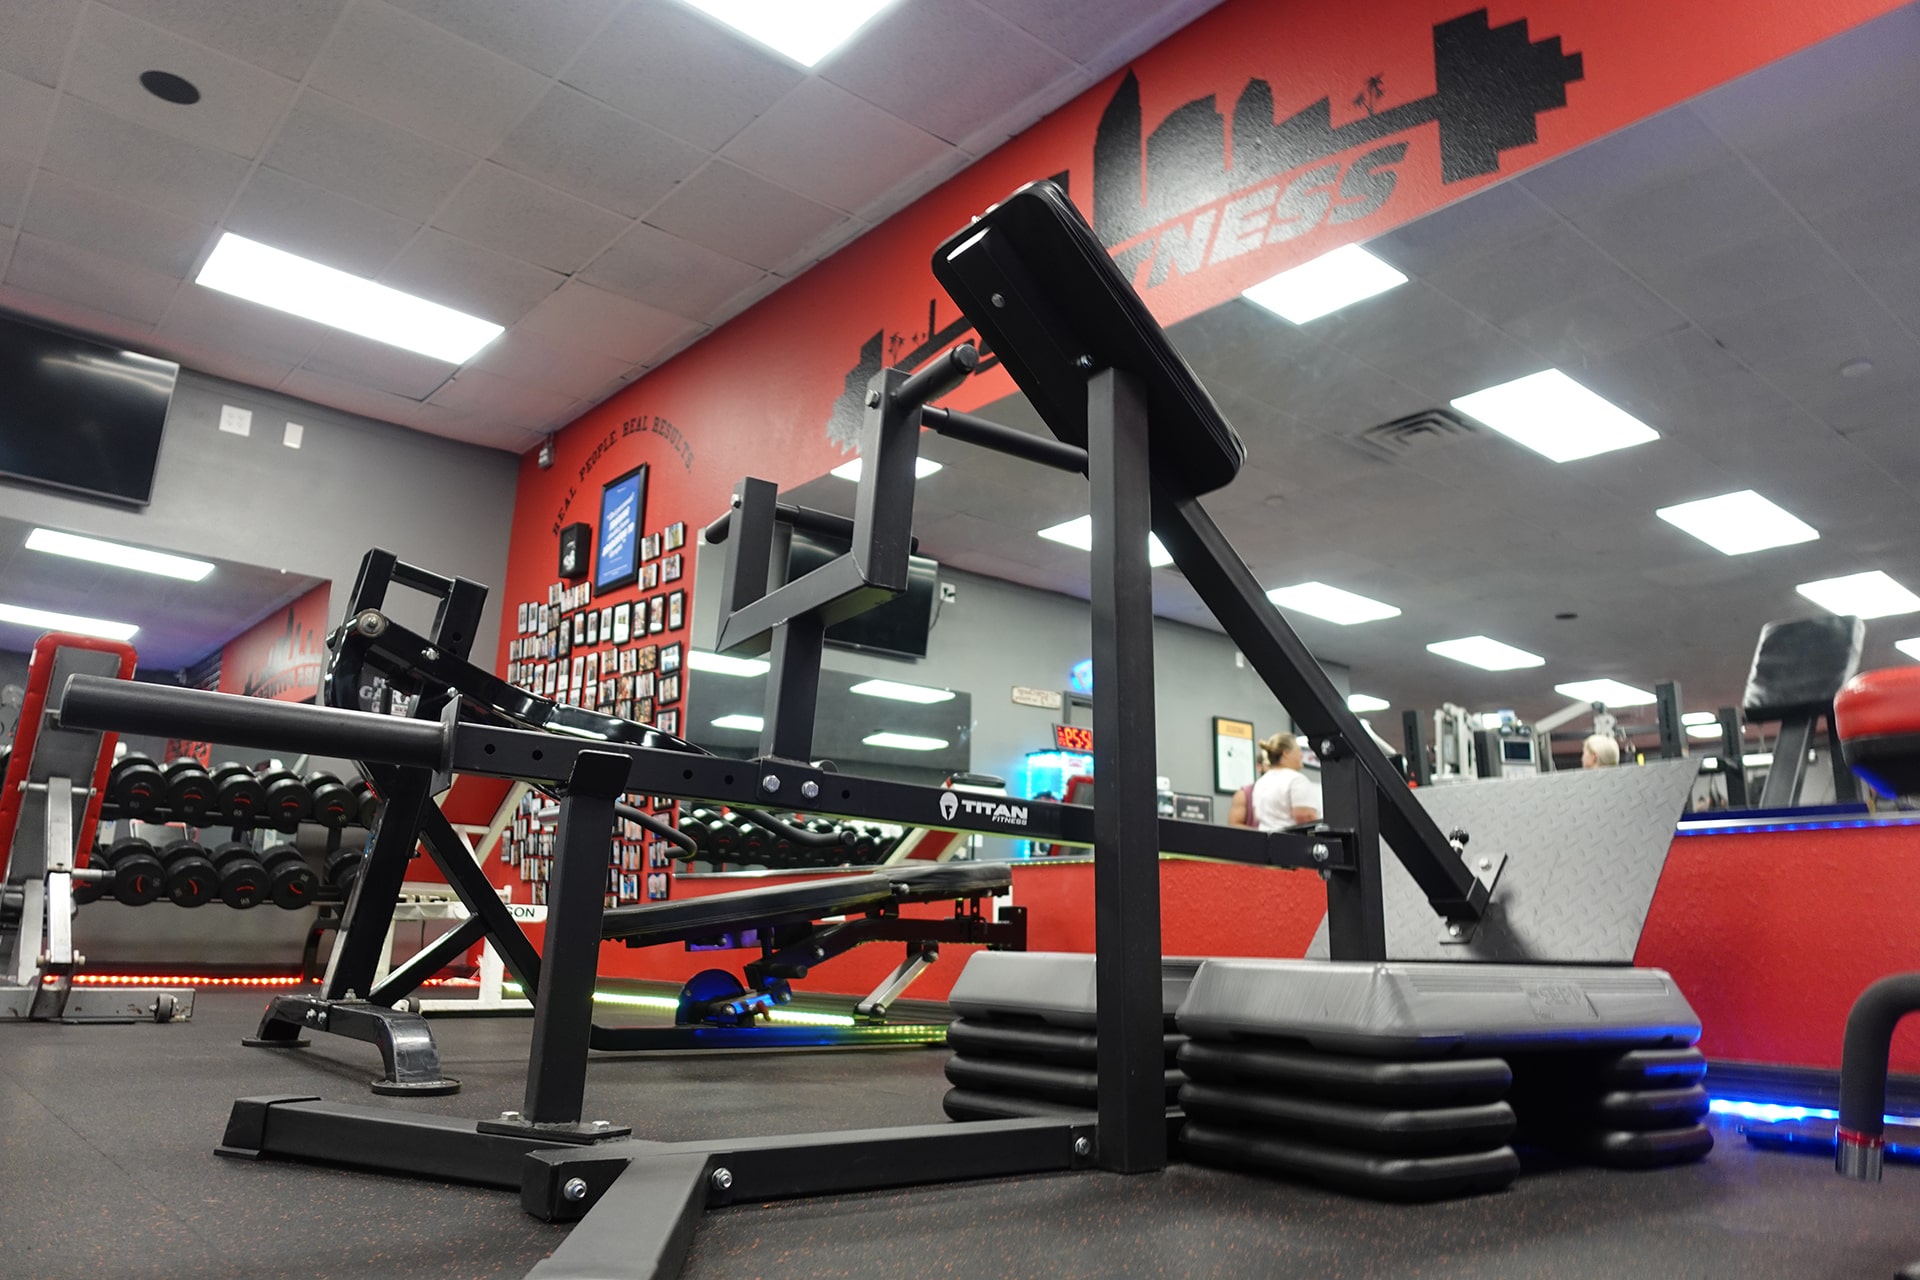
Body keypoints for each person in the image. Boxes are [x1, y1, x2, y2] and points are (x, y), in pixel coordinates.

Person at [1252, 732, 1321, 831]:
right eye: (1299, 750)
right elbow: (1306, 818)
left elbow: (1256, 816)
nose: (1301, 755)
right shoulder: (1296, 779)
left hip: (1267, 837)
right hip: (1290, 838)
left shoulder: (1261, 782)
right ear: (1286, 753)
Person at [1226, 748, 1268, 828]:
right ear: (1259, 767)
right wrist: (1265, 833)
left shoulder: (1288, 791)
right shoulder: (1244, 794)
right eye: (1270, 765)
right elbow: (1234, 826)